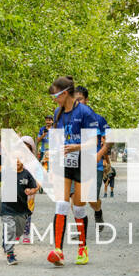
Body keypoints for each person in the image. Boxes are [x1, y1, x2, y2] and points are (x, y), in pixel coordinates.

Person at [47, 76, 109, 266]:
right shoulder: (57, 112)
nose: (54, 100)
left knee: (79, 208)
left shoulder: (85, 112)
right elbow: (57, 139)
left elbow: (93, 142)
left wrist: (76, 146)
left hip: (84, 163)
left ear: (65, 93)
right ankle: (58, 251)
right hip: (65, 163)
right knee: (61, 205)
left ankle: (82, 248)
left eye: (55, 96)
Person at [0, 155, 38, 265]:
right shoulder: (7, 172)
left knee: (18, 232)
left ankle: (6, 241)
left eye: (20, 160)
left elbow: (34, 187)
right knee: (10, 228)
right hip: (7, 207)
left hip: (21, 208)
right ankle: (10, 253)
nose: (17, 162)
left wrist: (31, 191)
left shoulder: (27, 174)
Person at [74, 85, 110, 230]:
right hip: (74, 165)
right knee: (75, 198)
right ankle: (80, 230)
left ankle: (98, 211)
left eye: (80, 99)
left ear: (87, 100)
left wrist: (100, 155)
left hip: (94, 165)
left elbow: (110, 140)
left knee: (91, 198)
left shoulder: (98, 119)